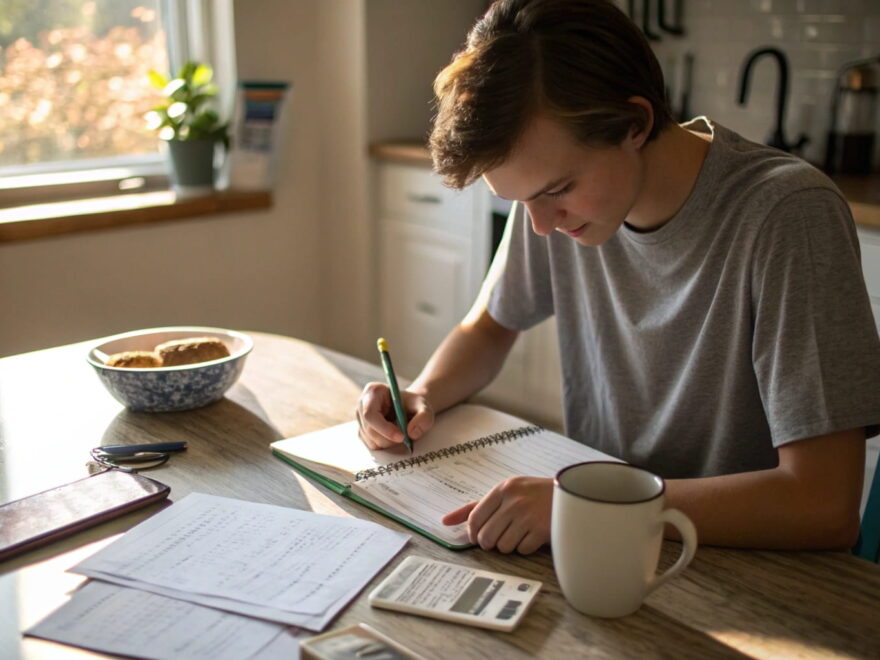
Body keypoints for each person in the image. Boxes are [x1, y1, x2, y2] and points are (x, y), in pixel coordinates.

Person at [356, 0, 880, 554]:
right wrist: (419, 397)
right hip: (597, 542)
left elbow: (823, 505)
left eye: (555, 191)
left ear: (635, 123)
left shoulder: (787, 214)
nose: (540, 226)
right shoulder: (554, 203)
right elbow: (488, 328)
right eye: (521, 200)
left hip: (742, 565)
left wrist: (595, 503)